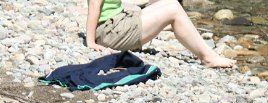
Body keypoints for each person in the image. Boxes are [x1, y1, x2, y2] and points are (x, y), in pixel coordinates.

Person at [86, 0, 236, 68]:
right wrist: (91, 42)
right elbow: (94, 5)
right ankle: (208, 58)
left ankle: (207, 54)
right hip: (112, 32)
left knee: (169, 3)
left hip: (117, 24)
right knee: (174, 9)